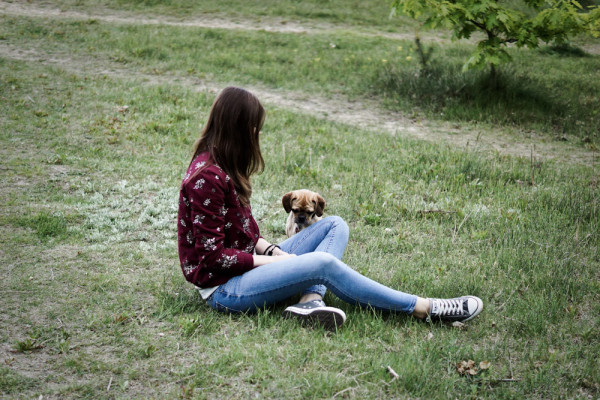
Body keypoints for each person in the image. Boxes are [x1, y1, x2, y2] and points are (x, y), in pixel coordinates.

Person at [177, 87, 483, 330]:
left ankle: (311, 300)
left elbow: (243, 233)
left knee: (335, 224)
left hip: (248, 264)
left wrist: (275, 252)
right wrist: (280, 265)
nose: (257, 134)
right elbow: (213, 258)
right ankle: (424, 308)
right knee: (321, 263)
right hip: (225, 290)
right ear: (242, 129)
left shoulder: (223, 165)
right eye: (255, 127)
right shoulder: (207, 177)